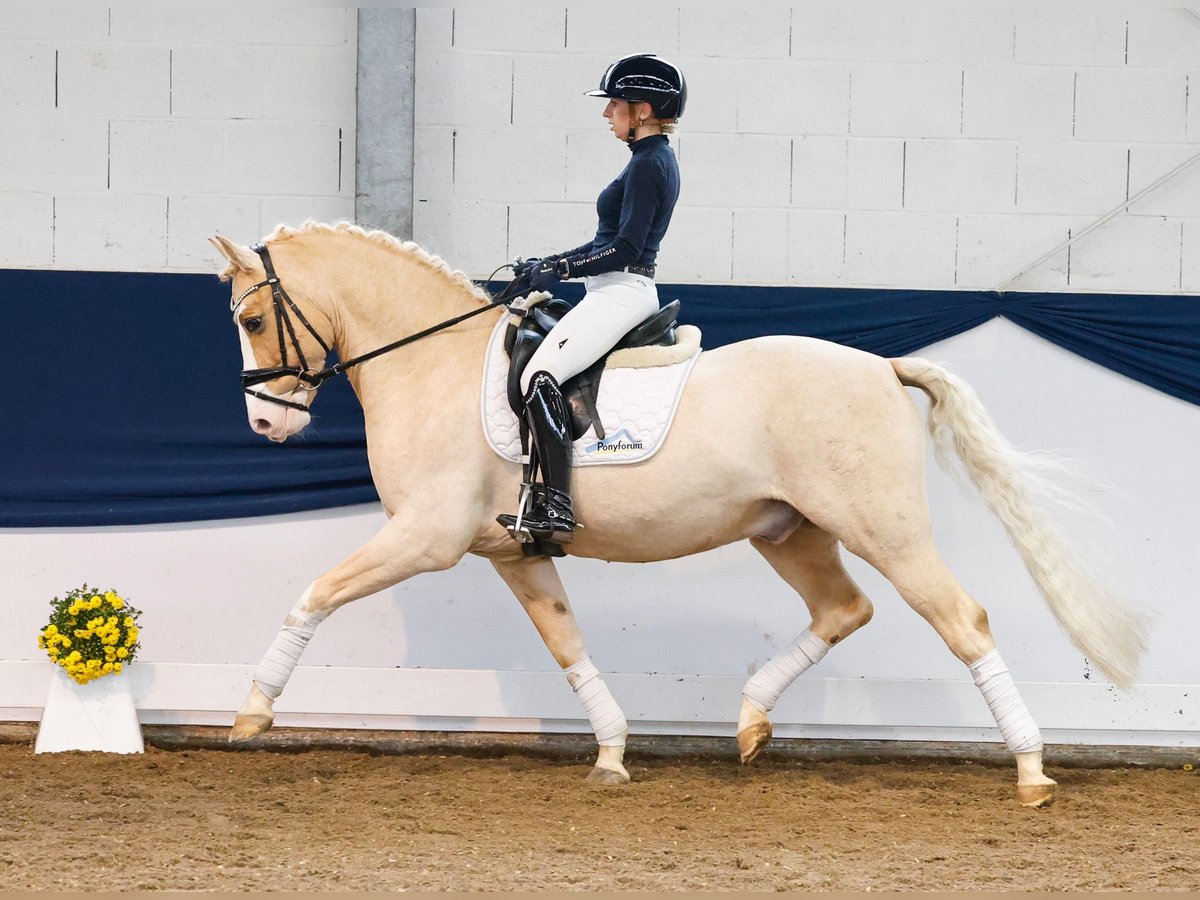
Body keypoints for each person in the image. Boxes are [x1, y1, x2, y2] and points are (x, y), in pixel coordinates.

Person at [497, 53, 686, 551]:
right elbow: (603, 240)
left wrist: (559, 271)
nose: (607, 114)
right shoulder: (644, 161)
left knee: (540, 378)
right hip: (609, 288)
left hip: (624, 291)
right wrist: (550, 260)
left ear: (642, 110)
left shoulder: (651, 164)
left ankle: (556, 503)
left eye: (615, 105)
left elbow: (623, 250)